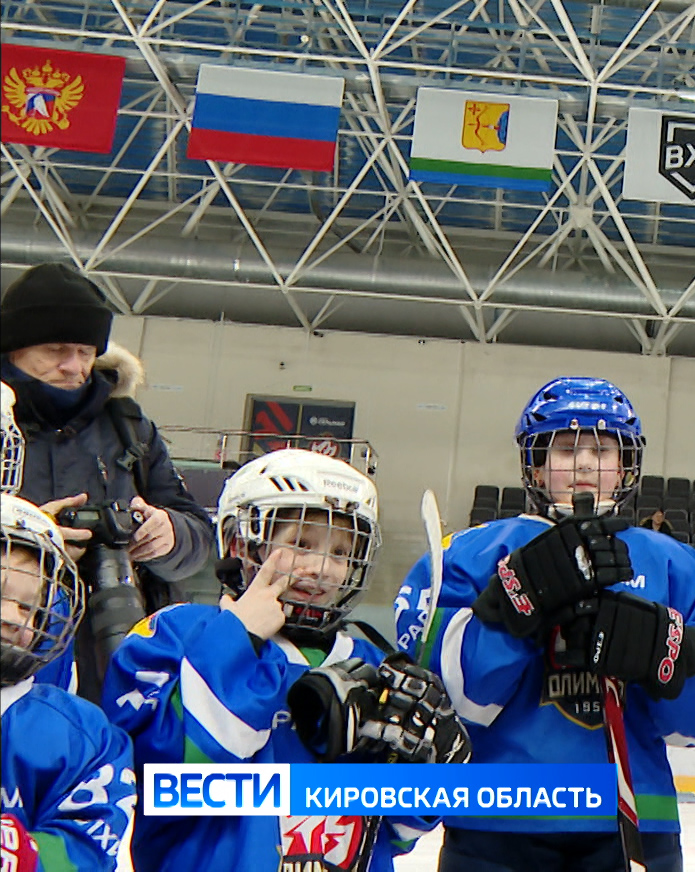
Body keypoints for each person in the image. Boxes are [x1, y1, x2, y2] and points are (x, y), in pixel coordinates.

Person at [399, 376, 695, 872]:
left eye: (601, 449)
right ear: (537, 468)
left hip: (634, 823)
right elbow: (451, 698)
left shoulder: (675, 564)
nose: (583, 463)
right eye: (565, 449)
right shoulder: (475, 554)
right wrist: (512, 611)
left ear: (624, 466)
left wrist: (662, 654)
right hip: (496, 821)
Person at [103, 448, 470, 872]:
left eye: (340, 552)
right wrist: (238, 638)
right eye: (301, 544)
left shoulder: (371, 663)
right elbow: (170, 775)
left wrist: (425, 778)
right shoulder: (170, 636)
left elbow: (394, 834)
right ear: (243, 543)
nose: (322, 568)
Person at [2, 261, 216, 700]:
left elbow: (198, 537)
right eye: (56, 349)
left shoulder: (129, 428)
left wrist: (170, 535)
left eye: (84, 351)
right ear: (12, 350)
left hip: (117, 654)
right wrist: (29, 538)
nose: (73, 366)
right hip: (12, 642)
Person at [1, 493, 136, 871]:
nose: (14, 618)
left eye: (29, 607)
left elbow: (89, 845)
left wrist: (20, 855)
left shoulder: (80, 732)